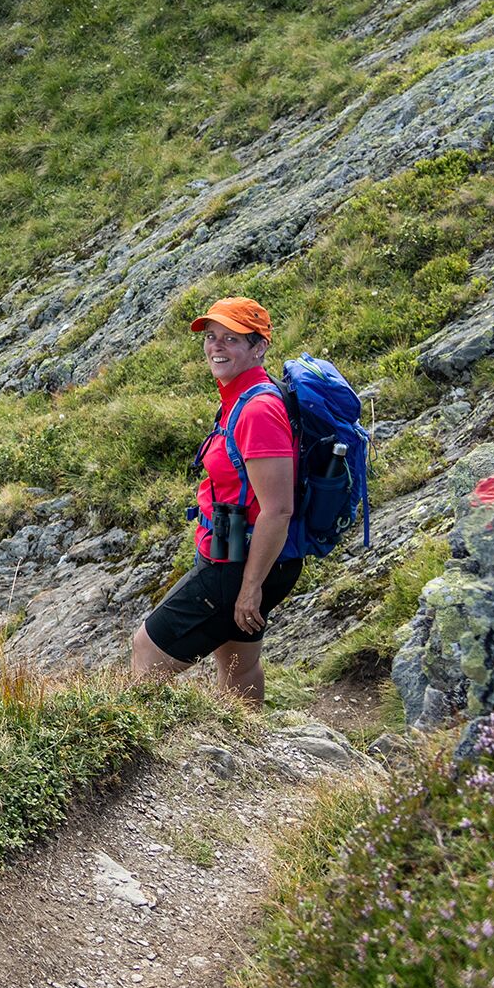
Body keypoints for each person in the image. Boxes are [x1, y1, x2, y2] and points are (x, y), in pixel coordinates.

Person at [130, 296, 301, 705]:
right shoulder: (240, 397)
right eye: (211, 337)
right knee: (238, 664)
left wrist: (250, 588)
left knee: (146, 651)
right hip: (240, 549)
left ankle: (136, 753)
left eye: (231, 339)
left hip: (240, 562)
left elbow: (278, 509)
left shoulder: (258, 410)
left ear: (259, 347)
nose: (216, 347)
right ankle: (247, 751)